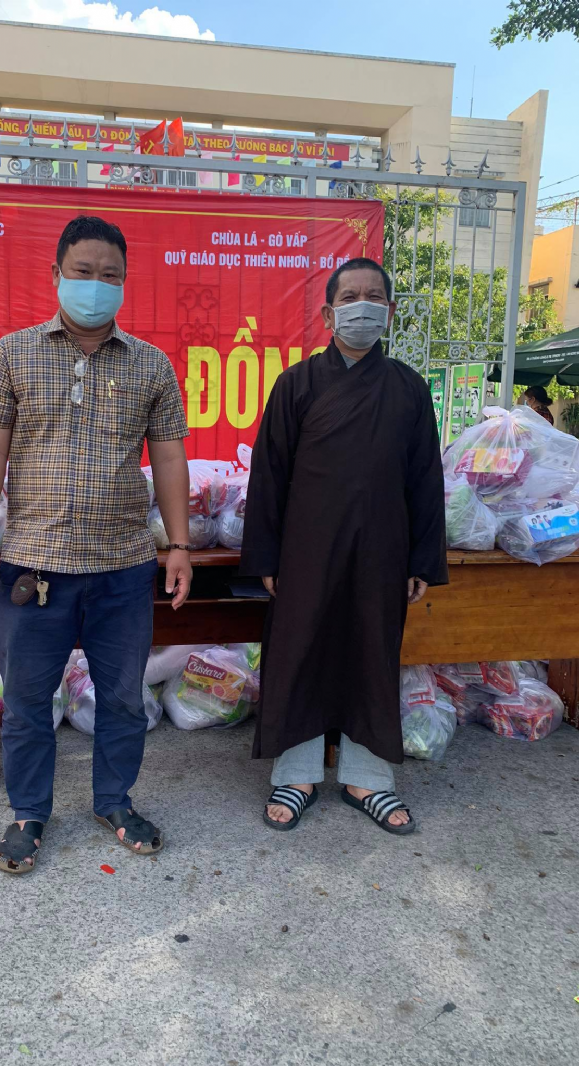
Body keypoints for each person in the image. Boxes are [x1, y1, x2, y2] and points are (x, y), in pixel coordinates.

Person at [0, 215, 192, 873]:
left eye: (110, 275)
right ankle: (28, 812)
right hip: (33, 569)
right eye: (83, 271)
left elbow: (169, 458)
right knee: (28, 701)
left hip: (123, 567)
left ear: (125, 282)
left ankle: (114, 801)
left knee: (121, 698)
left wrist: (178, 545)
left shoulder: (151, 364)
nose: (96, 284)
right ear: (57, 274)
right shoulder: (13, 354)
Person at [240, 257, 448, 837]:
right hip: (307, 549)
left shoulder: (407, 388)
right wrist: (266, 556)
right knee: (299, 650)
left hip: (382, 549)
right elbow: (269, 474)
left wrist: (421, 558)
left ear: (390, 311)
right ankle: (297, 775)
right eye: (350, 297)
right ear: (329, 314)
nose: (363, 306)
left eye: (374, 296)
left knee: (371, 654)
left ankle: (368, 779)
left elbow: (424, 479)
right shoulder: (296, 384)